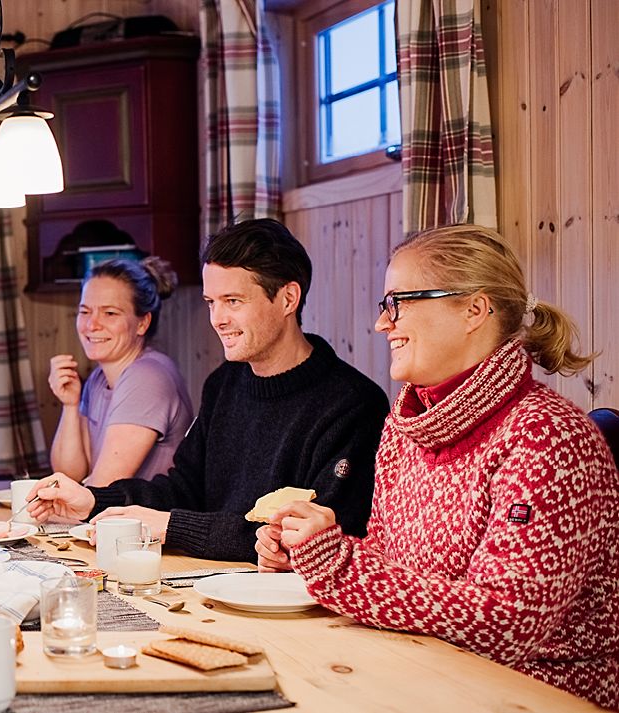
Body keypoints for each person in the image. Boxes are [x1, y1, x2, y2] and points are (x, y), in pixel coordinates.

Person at [258, 225, 618, 708]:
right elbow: (392, 567)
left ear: (474, 310)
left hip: (534, 694)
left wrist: (340, 564)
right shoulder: (405, 427)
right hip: (420, 668)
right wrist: (304, 561)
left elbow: (509, 621)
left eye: (398, 303)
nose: (384, 324)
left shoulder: (549, 438)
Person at [27, 219, 389, 562]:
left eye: (233, 301)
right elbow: (183, 489)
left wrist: (172, 526)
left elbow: (317, 541)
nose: (217, 319)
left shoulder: (354, 405)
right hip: (212, 585)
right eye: (211, 302)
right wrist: (92, 500)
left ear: (287, 299)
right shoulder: (224, 383)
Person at [48, 257, 193, 486]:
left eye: (110, 313)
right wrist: (70, 404)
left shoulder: (148, 377)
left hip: (146, 520)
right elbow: (70, 475)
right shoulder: (97, 379)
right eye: (85, 311)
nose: (91, 325)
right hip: (112, 518)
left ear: (143, 323)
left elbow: (105, 485)